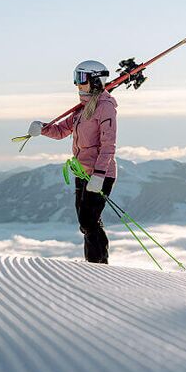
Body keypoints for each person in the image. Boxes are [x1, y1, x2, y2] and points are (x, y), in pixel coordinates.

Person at [28, 60, 117, 264]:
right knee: (85, 222)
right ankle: (95, 261)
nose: (77, 84)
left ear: (95, 80)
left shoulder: (106, 107)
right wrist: (41, 128)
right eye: (76, 78)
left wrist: (99, 174)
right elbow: (61, 131)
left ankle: (99, 265)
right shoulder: (81, 109)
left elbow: (108, 145)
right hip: (82, 172)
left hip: (99, 174)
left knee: (89, 220)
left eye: (82, 78)